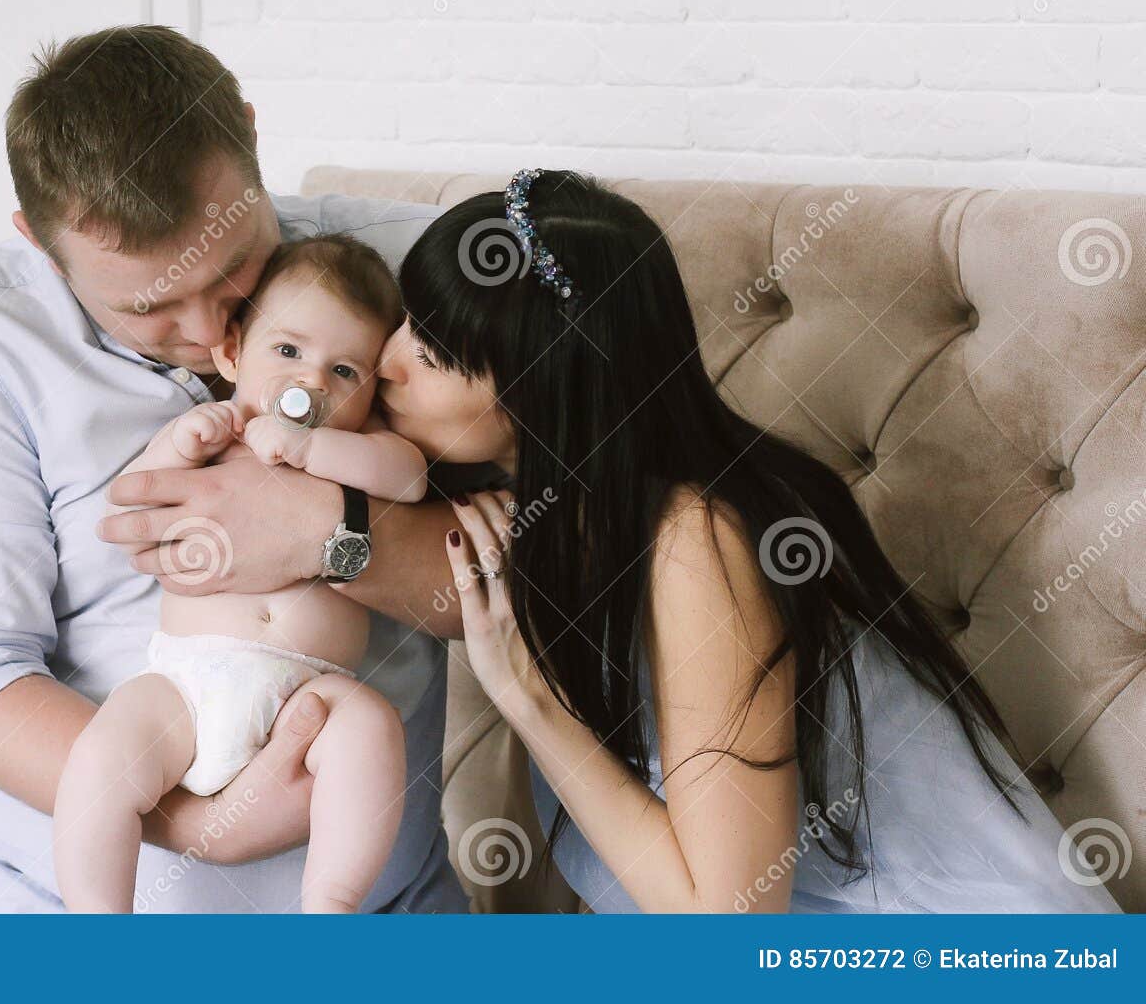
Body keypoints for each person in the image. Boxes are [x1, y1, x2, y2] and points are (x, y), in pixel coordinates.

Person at [377, 168, 1121, 913]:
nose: (387, 361)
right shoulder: (557, 514)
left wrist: (527, 698)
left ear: (548, 392)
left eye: (434, 356)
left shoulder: (700, 542)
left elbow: (726, 930)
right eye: (410, 318)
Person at [0, 26, 466, 912]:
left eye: (236, 272)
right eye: (148, 305)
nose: (206, 330)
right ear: (39, 239)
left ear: (253, 137)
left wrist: (331, 533)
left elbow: (562, 561)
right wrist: (194, 814)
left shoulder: (400, 276)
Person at [55, 236, 424, 913]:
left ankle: (332, 903)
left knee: (372, 731)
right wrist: (181, 441)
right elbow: (135, 500)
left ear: (373, 393)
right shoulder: (213, 437)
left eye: (345, 370)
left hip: (312, 696)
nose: (312, 381)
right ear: (232, 352)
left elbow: (412, 475)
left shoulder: (357, 451)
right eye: (287, 351)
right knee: (101, 758)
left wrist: (316, 447)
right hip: (186, 684)